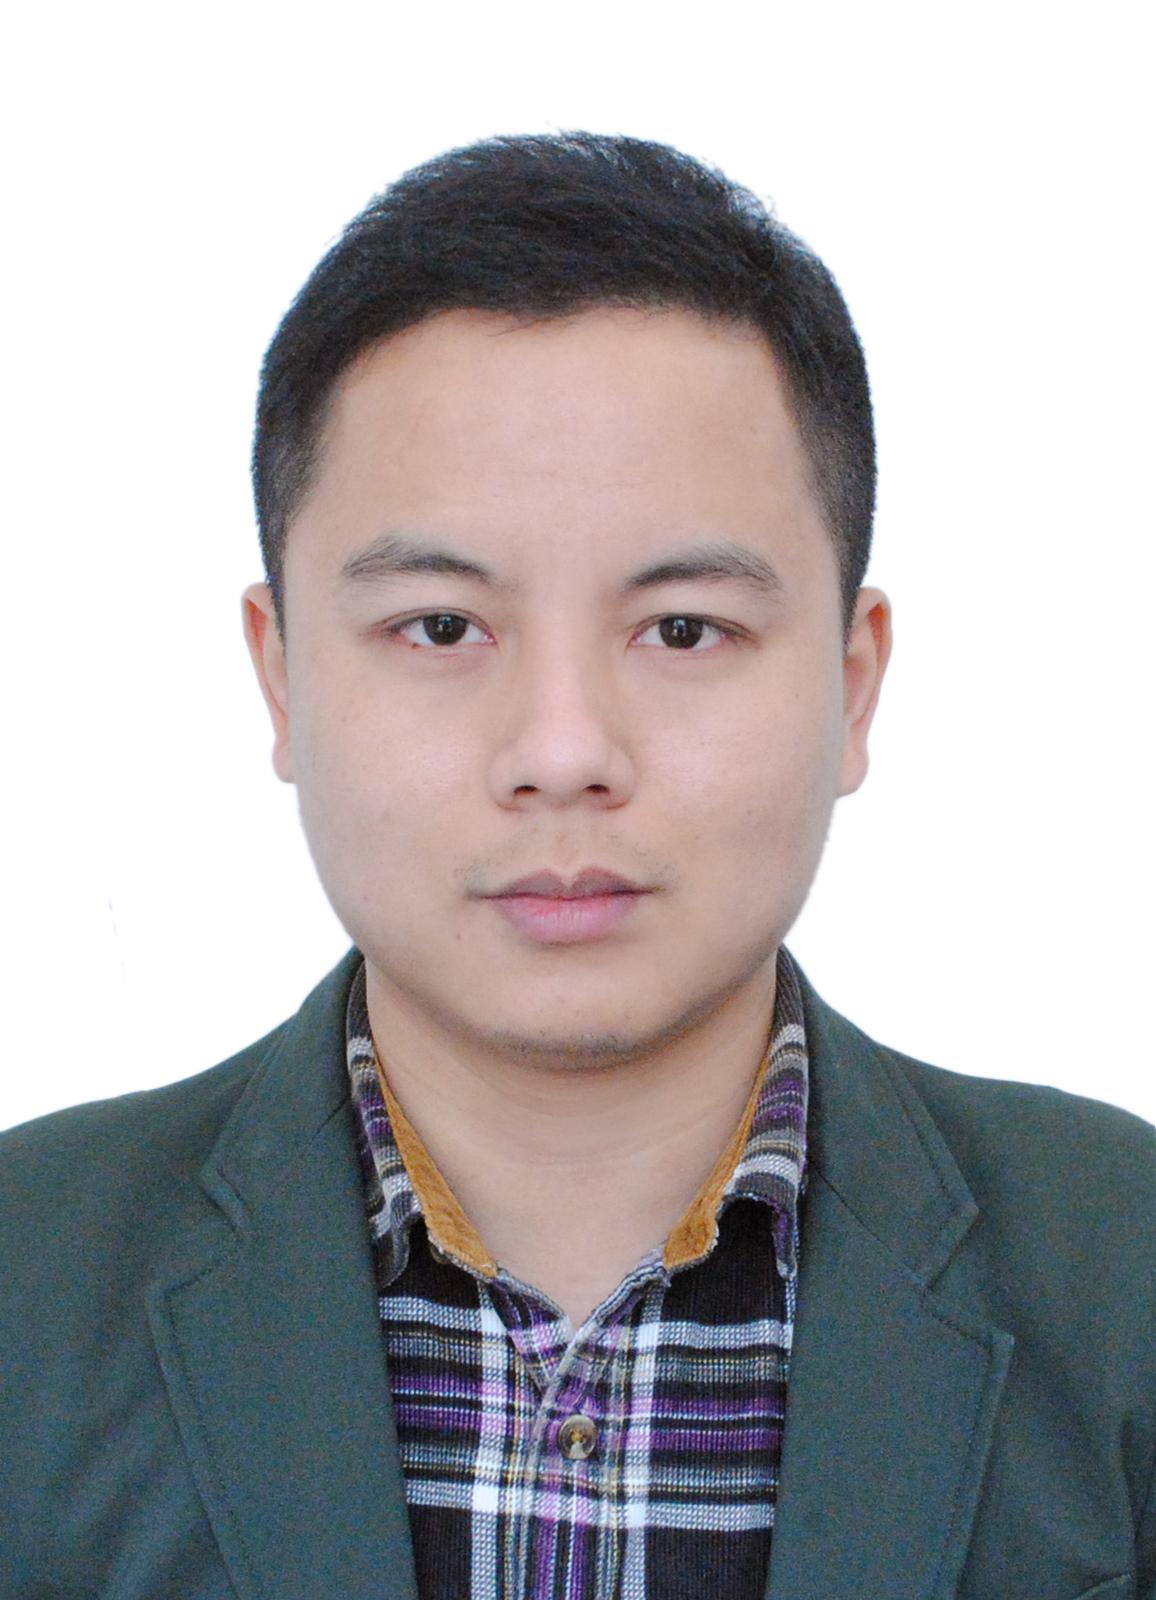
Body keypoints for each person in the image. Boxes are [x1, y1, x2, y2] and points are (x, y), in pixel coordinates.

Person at [1, 130, 1152, 1600]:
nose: (562, 749)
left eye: (682, 629)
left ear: (853, 683)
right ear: (280, 675)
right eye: (440, 627)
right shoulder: (25, 1285)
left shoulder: (1125, 1279)